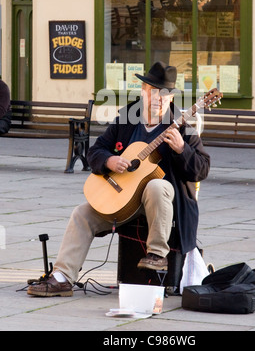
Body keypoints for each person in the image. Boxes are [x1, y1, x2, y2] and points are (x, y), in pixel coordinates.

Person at [27, 61, 210, 297]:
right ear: (143, 92)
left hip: (163, 206)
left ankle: (157, 255)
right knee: (81, 214)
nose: (158, 99)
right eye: (153, 92)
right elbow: (96, 150)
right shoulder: (127, 119)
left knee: (156, 185)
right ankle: (62, 277)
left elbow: (202, 169)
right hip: (124, 199)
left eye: (164, 94)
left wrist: (181, 149)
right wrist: (109, 162)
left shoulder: (182, 128)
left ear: (171, 97)